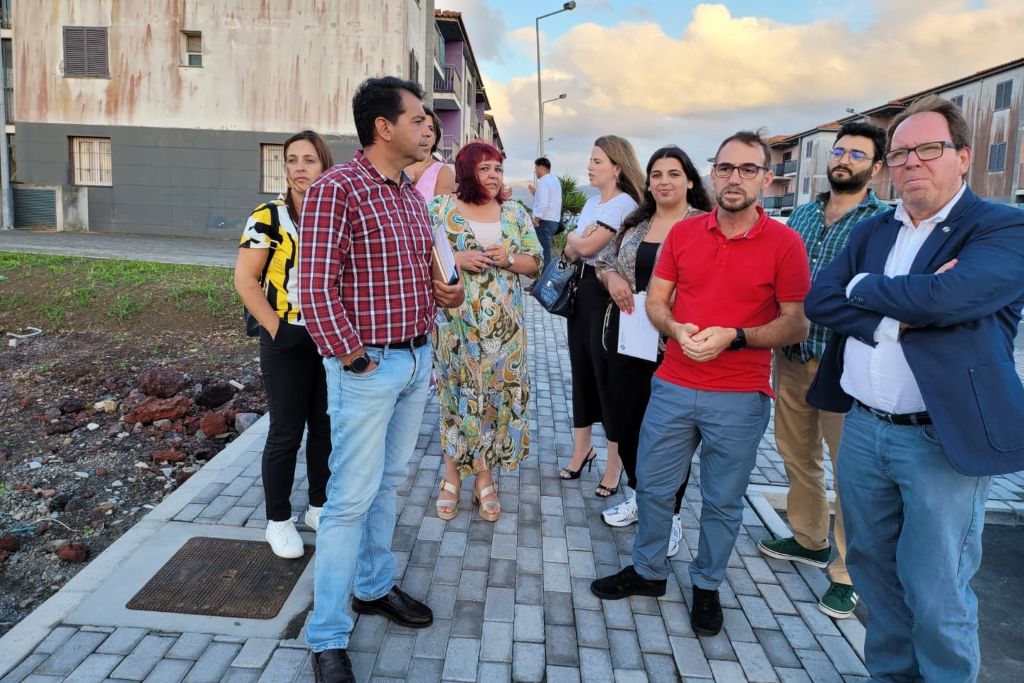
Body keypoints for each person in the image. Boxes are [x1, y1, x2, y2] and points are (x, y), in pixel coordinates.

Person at [805, 96, 1024, 681]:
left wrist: (865, 288)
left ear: (963, 157)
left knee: (936, 590)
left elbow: (947, 299)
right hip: (863, 430)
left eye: (928, 149)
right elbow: (820, 300)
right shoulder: (874, 229)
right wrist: (903, 310)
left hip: (938, 442)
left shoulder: (1002, 227)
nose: (912, 162)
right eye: (901, 153)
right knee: (873, 576)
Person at [590, 131, 811, 640]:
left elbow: (796, 324)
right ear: (713, 174)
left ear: (766, 178)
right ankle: (648, 571)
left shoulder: (785, 243)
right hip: (672, 383)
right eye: (726, 168)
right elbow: (656, 303)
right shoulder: (684, 235)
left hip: (740, 394)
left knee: (722, 501)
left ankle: (707, 584)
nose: (735, 178)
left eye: (748, 169)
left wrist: (736, 337)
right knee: (653, 486)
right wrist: (674, 328)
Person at [297, 76, 465, 683]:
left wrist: (447, 294)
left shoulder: (409, 195)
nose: (430, 128)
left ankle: (372, 587)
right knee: (348, 500)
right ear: (383, 127)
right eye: (419, 119)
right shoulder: (337, 189)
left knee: (388, 483)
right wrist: (354, 359)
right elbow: (314, 288)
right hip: (368, 367)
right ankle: (326, 635)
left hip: (415, 361)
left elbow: (427, 275)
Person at [757, 121, 889, 619]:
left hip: (843, 364)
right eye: (839, 151)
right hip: (792, 357)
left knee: (849, 471)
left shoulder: (883, 223)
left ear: (876, 167)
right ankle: (809, 539)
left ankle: (848, 573)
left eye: (857, 154)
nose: (844, 160)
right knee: (797, 454)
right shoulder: (804, 214)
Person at [595, 145, 712, 560]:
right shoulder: (637, 223)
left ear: (690, 180)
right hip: (629, 342)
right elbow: (604, 261)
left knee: (670, 436)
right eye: (657, 174)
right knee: (627, 425)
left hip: (676, 345)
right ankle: (640, 497)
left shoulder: (703, 225)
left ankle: (670, 515)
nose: (664, 181)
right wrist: (611, 279)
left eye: (674, 173)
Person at [430, 141, 542, 523]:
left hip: (505, 334)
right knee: (455, 400)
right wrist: (456, 258)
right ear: (466, 172)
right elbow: (419, 257)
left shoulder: (514, 212)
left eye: (498, 169)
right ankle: (451, 477)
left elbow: (535, 262)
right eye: (485, 168)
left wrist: (508, 258)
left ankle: (484, 479)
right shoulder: (440, 208)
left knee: (493, 404)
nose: (493, 176)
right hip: (455, 329)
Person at [234, 130, 334, 559]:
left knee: (325, 427)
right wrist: (278, 329)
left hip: (328, 336)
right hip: (286, 337)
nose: (299, 168)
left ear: (324, 164)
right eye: (292, 160)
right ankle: (277, 520)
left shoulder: (334, 213)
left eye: (309, 160)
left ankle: (318, 506)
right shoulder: (268, 216)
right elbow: (245, 280)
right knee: (286, 432)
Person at [559, 135, 644, 498]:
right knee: (581, 370)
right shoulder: (593, 203)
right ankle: (582, 450)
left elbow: (587, 246)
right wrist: (578, 242)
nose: (590, 166)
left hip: (605, 295)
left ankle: (614, 465)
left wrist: (576, 239)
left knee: (607, 378)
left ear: (617, 167)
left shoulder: (624, 204)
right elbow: (572, 250)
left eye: (597, 161)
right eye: (590, 160)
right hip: (581, 291)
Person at [406, 105, 455, 201]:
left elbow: (441, 208)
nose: (427, 133)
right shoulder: (392, 168)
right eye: (419, 126)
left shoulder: (443, 172)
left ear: (435, 138)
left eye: (431, 129)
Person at [532, 156, 563, 265]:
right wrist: (536, 193)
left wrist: (536, 219)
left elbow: (543, 203)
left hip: (544, 222)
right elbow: (551, 200)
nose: (535, 171)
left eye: (536, 168)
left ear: (541, 168)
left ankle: (544, 275)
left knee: (544, 254)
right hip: (554, 221)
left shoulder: (544, 181)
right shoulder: (555, 180)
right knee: (547, 252)